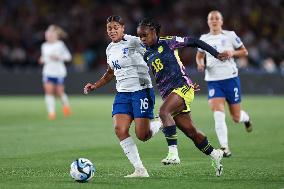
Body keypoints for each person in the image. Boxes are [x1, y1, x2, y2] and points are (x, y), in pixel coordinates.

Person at [137, 18, 230, 177]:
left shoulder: (169, 42)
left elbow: (195, 42)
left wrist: (215, 54)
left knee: (163, 112)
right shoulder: (147, 54)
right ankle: (215, 153)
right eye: (139, 36)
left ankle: (173, 154)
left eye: (144, 35)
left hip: (183, 88)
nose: (142, 39)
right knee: (191, 132)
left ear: (154, 32)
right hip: (170, 94)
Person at [83, 15, 162, 178]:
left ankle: (160, 122)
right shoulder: (109, 49)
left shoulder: (134, 41)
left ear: (123, 28)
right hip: (123, 94)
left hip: (141, 91)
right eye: (109, 28)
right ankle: (140, 170)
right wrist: (95, 85)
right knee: (120, 129)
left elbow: (154, 50)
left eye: (115, 27)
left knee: (142, 136)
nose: (112, 31)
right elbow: (110, 72)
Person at [196, 10, 252, 157]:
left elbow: (244, 52)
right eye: (211, 18)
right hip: (214, 81)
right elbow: (199, 55)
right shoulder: (204, 38)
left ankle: (246, 118)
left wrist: (232, 53)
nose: (214, 20)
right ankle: (224, 148)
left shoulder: (230, 35)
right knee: (218, 114)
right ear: (208, 22)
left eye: (217, 18)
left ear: (221, 21)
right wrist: (200, 63)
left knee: (236, 117)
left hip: (231, 79)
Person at [39, 25, 72, 120]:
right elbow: (44, 57)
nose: (48, 36)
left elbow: (68, 57)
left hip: (59, 72)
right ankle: (51, 113)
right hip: (48, 72)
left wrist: (59, 57)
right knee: (48, 91)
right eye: (47, 34)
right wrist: (42, 59)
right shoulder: (44, 46)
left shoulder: (60, 45)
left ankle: (66, 106)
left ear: (55, 35)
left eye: (50, 34)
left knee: (59, 92)